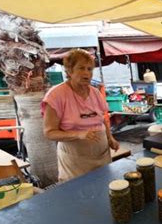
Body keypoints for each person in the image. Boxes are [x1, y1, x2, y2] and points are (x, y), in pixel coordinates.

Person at [42, 49, 120, 182]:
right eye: (81, 68)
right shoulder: (56, 95)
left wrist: (110, 138)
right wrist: (78, 134)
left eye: (89, 69)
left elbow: (102, 119)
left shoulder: (95, 92)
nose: (86, 73)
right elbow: (49, 133)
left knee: (104, 188)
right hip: (75, 160)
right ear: (69, 71)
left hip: (102, 155)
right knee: (79, 193)